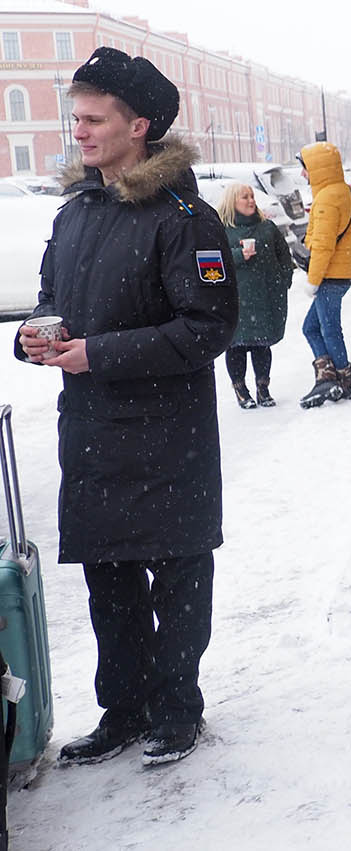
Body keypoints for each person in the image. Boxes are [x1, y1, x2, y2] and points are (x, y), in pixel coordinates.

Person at [12, 47, 238, 767]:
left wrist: (99, 354)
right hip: (92, 435)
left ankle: (177, 708)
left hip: (169, 440)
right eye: (74, 117)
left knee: (175, 581)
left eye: (93, 118)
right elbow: (54, 299)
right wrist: (36, 335)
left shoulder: (185, 217)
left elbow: (208, 328)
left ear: (139, 125)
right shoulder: (77, 211)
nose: (77, 131)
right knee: (109, 585)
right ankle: (124, 708)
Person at [215, 182, 294, 408]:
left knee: (262, 344)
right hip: (235, 299)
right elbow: (214, 262)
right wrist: (239, 255)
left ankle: (263, 388)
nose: (251, 200)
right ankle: (241, 390)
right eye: (244, 197)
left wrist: (283, 280)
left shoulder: (267, 227)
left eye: (251, 196)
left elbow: (284, 256)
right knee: (236, 345)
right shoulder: (221, 230)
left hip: (264, 297)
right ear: (232, 202)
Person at [297, 139, 351, 408]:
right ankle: (331, 377)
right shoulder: (342, 192)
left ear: (317, 168)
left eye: (305, 168)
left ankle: (340, 381)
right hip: (339, 273)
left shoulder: (327, 198)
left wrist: (312, 281)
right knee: (312, 326)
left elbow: (323, 246)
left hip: (330, 276)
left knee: (328, 328)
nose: (302, 173)